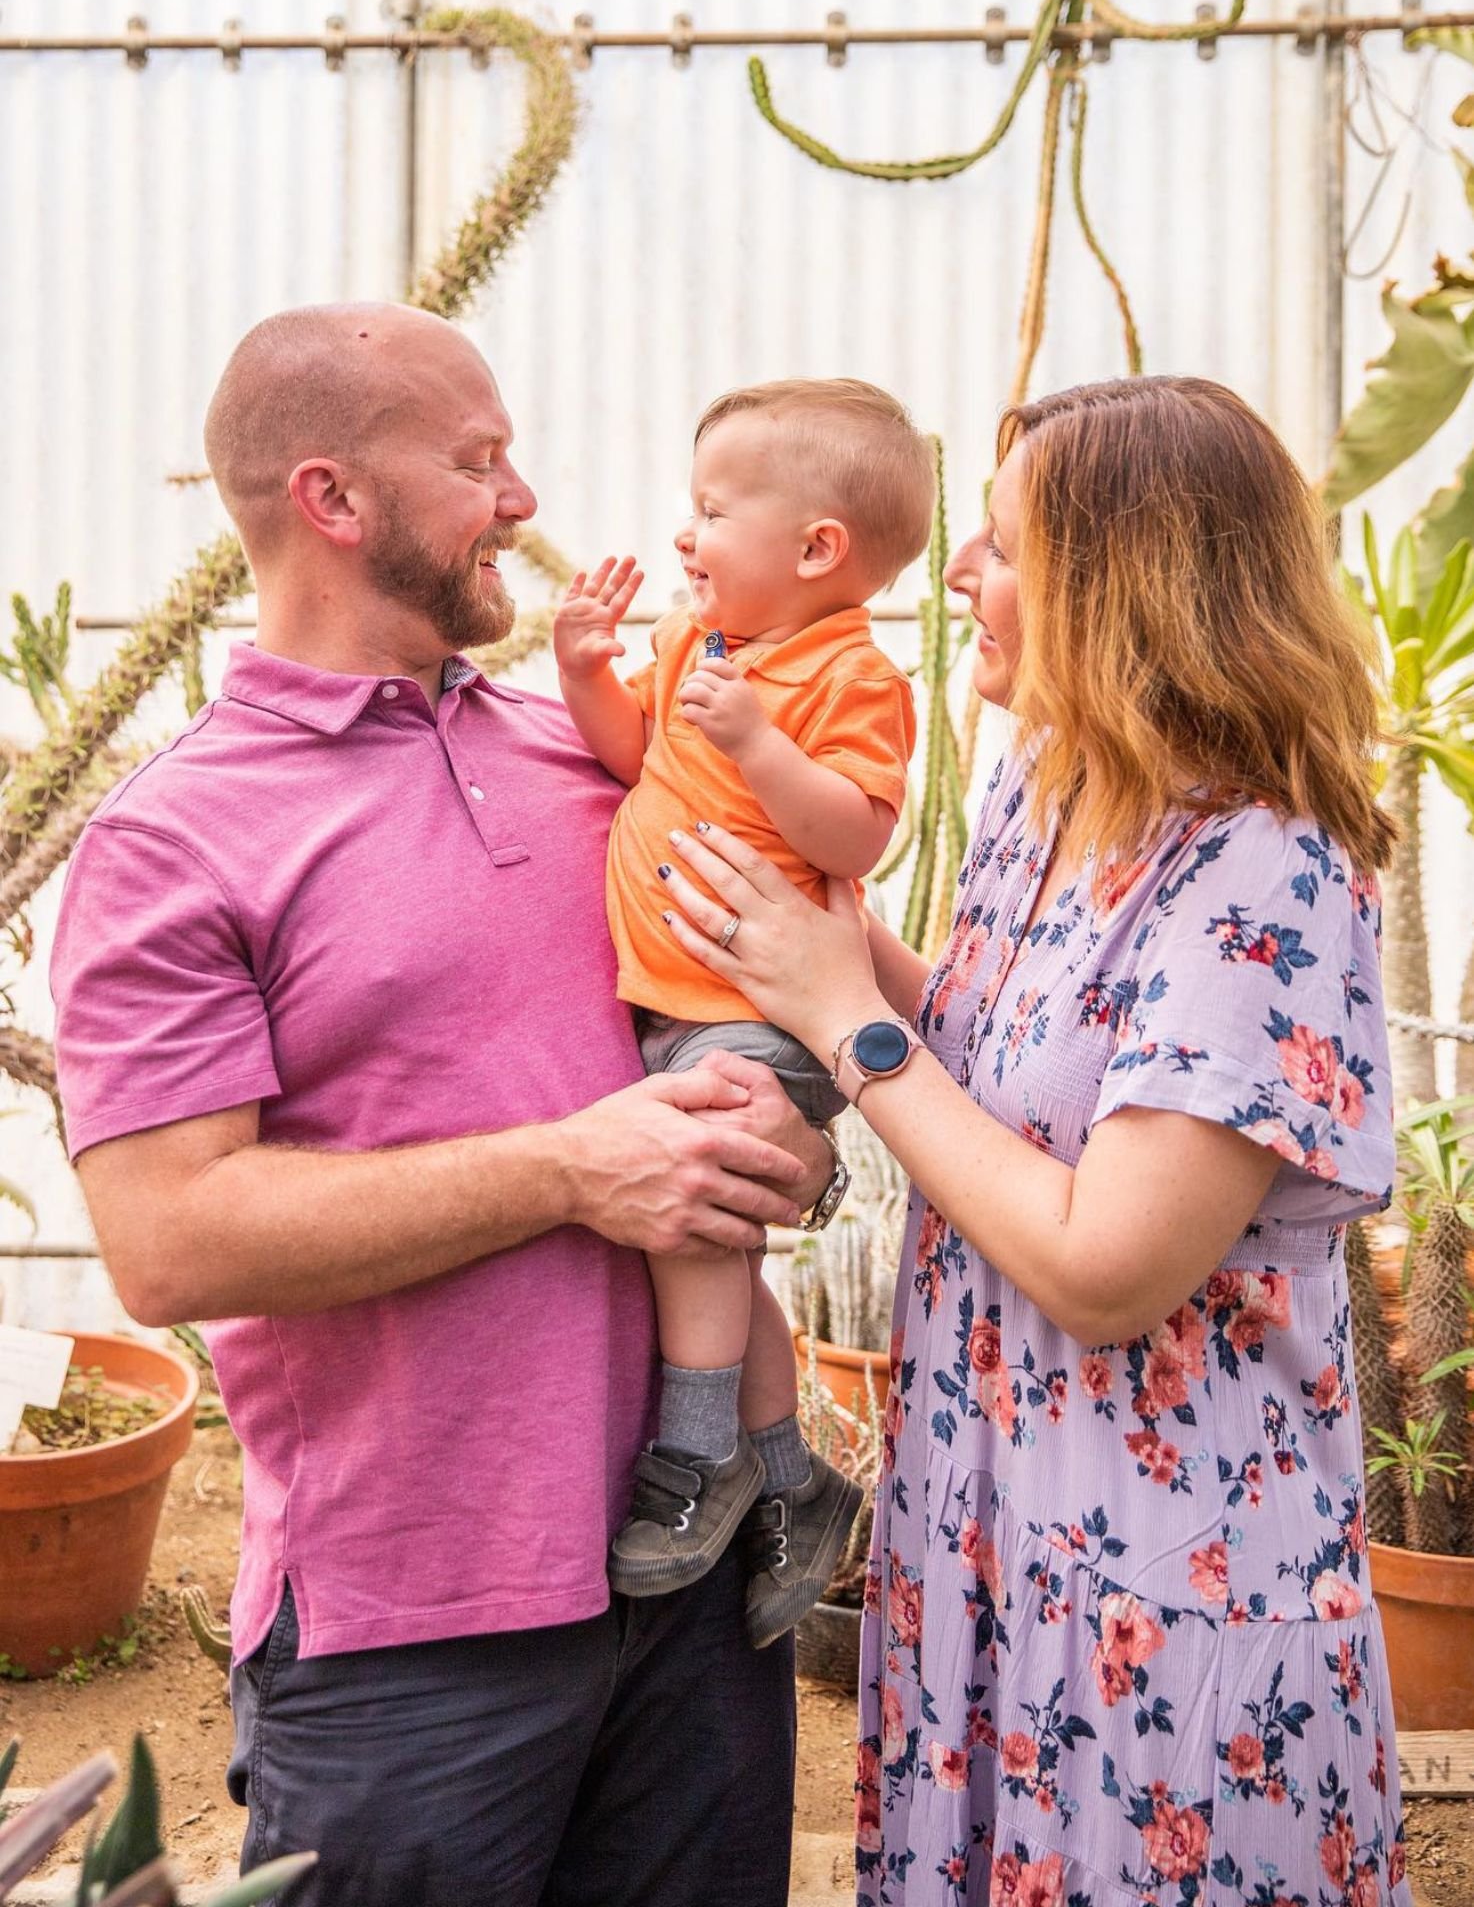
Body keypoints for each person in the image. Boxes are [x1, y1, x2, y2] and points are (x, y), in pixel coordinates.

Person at [48, 302, 842, 1907]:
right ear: (332, 501)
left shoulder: (593, 764)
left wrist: (785, 1141)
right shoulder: (171, 842)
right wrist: (570, 1171)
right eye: (476, 461)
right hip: (413, 1632)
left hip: (692, 1585)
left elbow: (743, 1031)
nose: (523, 500)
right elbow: (172, 1242)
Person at [648, 377, 1413, 1905]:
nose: (952, 577)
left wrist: (843, 1024)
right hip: (988, 1548)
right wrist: (842, 947)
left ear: (1123, 587)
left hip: (1156, 1611)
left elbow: (1106, 1264)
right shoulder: (1052, 786)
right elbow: (1004, 1061)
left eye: (998, 549)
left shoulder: (1259, 869)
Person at [552, 379, 928, 1644]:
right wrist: (584, 669)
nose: (684, 535)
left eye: (712, 511)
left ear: (817, 548)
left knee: (692, 1217)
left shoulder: (850, 677)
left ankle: (697, 1451)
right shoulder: (696, 645)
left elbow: (856, 827)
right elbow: (632, 758)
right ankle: (794, 1476)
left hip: (761, 1011)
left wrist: (765, 745)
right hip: (675, 1005)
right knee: (707, 1241)